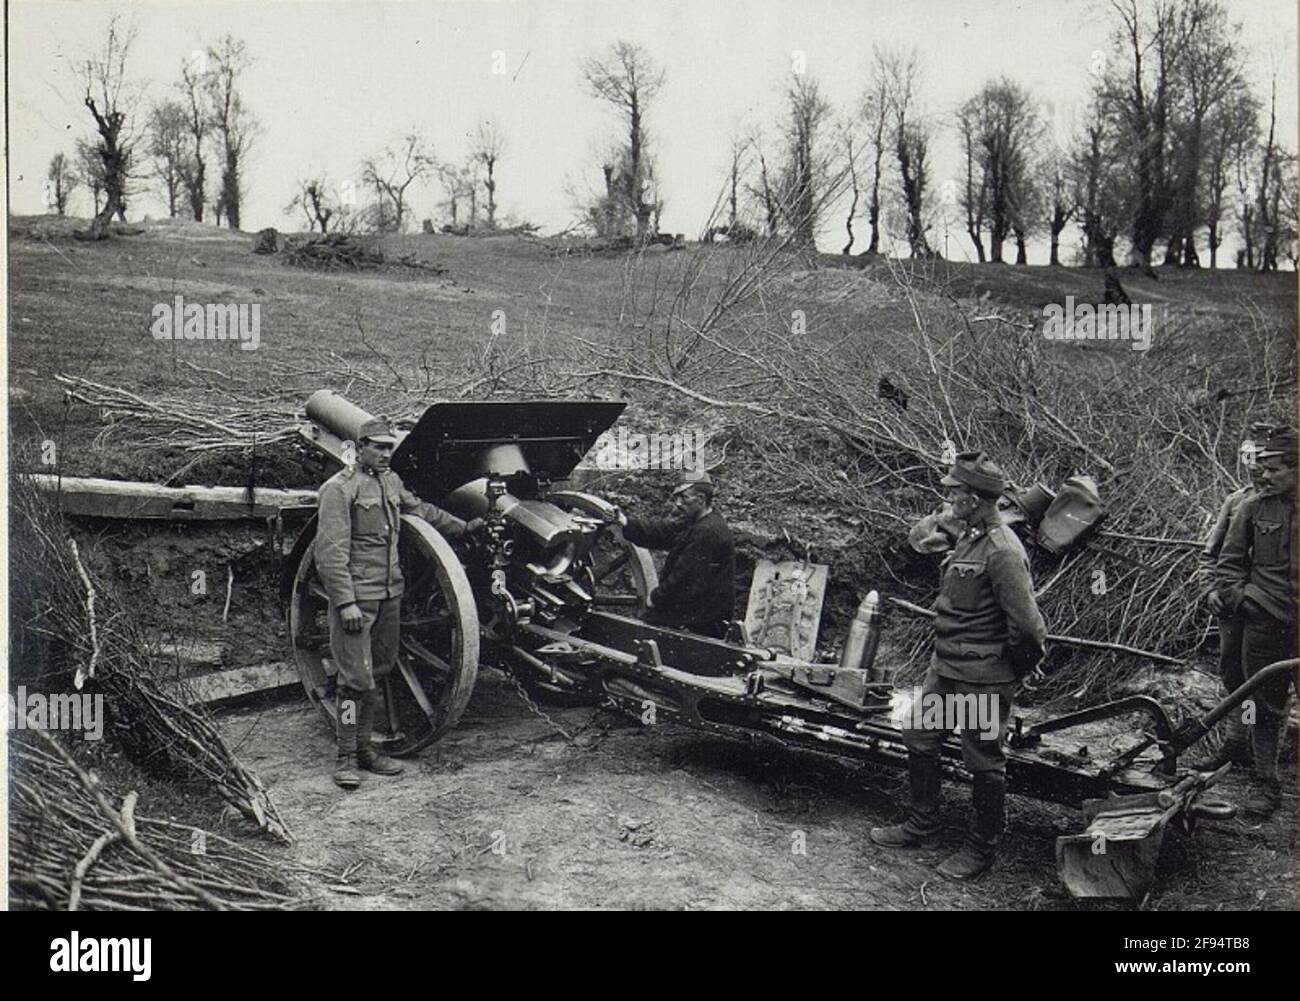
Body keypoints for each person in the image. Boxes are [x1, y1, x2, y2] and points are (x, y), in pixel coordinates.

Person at [871, 451, 1048, 880]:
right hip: (947, 668)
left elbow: (1026, 627)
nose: (948, 498)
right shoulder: (969, 536)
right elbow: (924, 539)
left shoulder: (1003, 550)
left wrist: (1010, 671)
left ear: (974, 499)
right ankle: (921, 823)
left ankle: (980, 848)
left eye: (954, 492)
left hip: (982, 678)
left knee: (983, 761)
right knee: (919, 736)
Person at [315, 417, 478, 790]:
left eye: (390, 447)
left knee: (380, 671)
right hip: (358, 601)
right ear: (359, 448)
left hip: (391, 595)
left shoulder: (390, 482)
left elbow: (420, 511)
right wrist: (345, 604)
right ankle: (345, 758)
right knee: (354, 680)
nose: (387, 453)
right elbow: (330, 554)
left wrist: (463, 527)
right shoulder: (339, 490)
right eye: (379, 446)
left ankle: (366, 749)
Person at [1215, 426, 1298, 816]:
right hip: (1266, 621)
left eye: (1273, 469)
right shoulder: (1251, 506)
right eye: (1261, 468)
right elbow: (1228, 562)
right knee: (1266, 705)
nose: (1263, 476)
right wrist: (1244, 600)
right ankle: (1267, 785)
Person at [1188, 422, 1271, 771]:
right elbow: (1211, 553)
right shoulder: (1236, 502)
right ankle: (1238, 742)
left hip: (1270, 609)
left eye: (1259, 457)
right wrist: (1209, 589)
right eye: (1247, 456)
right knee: (1234, 674)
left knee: (1265, 680)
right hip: (1232, 607)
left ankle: (1261, 754)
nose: (1252, 464)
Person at [614, 469, 737, 639]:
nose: (678, 503)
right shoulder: (699, 521)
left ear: (701, 499)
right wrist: (626, 523)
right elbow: (662, 532)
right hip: (693, 612)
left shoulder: (708, 533)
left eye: (684, 497)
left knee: (636, 635)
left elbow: (683, 579)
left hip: (699, 622)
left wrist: (655, 598)